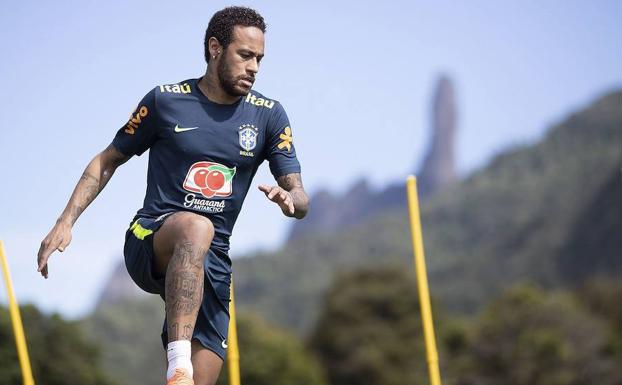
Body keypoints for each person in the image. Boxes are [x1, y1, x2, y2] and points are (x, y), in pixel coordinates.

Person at [36, 6, 309, 385]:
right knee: (196, 227)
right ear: (215, 48)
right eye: (245, 55)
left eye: (260, 58)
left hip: (213, 260)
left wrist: (292, 200)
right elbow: (107, 159)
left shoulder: (269, 115)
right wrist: (64, 222)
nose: (255, 67)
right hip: (150, 237)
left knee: (204, 378)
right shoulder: (165, 101)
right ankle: (177, 363)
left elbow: (299, 194)